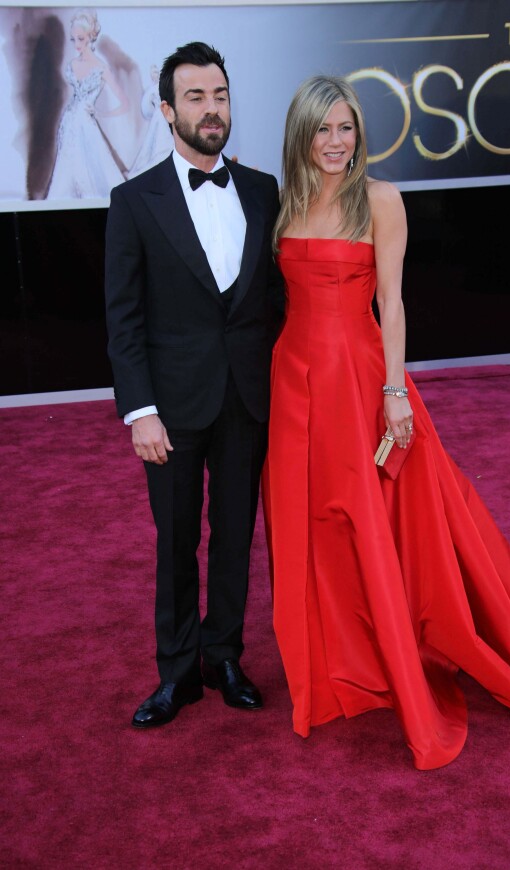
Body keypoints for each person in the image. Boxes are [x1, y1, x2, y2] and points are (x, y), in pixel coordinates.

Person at [262, 75, 510, 771]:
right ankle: (331, 662)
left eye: (346, 128)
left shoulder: (379, 200)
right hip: (294, 386)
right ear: (302, 135)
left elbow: (393, 304)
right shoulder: (283, 203)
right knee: (308, 523)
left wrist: (393, 393)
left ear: (359, 133)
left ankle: (400, 656)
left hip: (360, 382)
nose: (336, 142)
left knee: (384, 521)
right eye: (323, 129)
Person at [105, 42, 284, 728]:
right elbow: (122, 318)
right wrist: (140, 412)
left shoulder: (263, 191)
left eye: (220, 96)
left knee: (235, 534)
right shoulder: (134, 200)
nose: (212, 111)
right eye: (196, 98)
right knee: (176, 540)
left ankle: (225, 655)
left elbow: (275, 298)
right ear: (166, 110)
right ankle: (176, 673)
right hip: (170, 407)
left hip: (246, 396)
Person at [46, 8, 128, 199]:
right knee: (65, 170)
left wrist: (103, 114)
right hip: (68, 123)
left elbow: (124, 103)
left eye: (81, 39)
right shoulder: (72, 64)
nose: (76, 44)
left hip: (86, 125)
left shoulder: (101, 68)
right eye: (73, 39)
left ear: (91, 37)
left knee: (94, 171)